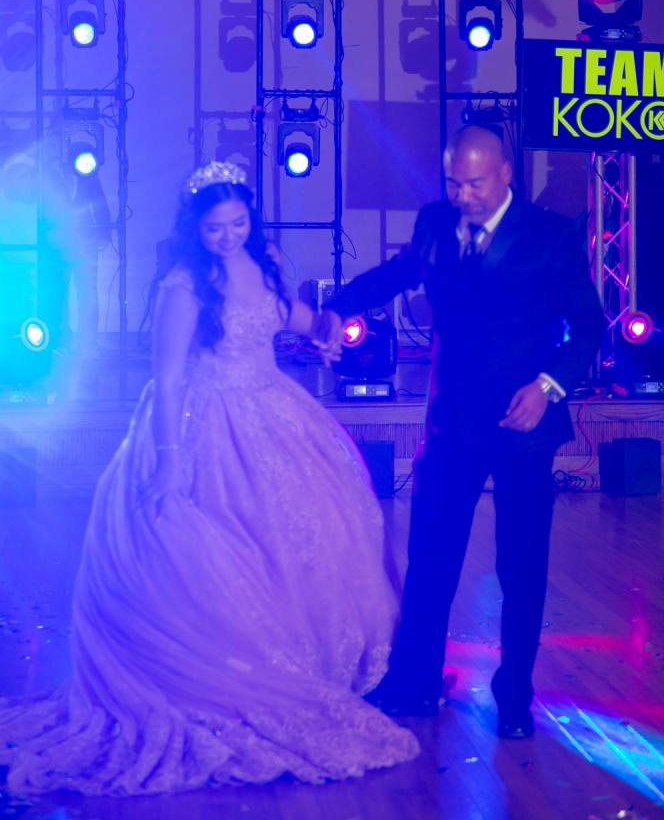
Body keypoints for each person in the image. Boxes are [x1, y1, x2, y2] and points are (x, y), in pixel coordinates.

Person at [0, 162, 418, 795]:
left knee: (304, 540)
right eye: (216, 227)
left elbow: (289, 317)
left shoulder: (266, 262)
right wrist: (171, 457)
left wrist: (324, 329)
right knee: (218, 558)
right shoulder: (184, 285)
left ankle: (304, 663)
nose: (228, 236)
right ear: (195, 227)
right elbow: (167, 379)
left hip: (273, 411)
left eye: (238, 224)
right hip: (204, 423)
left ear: (251, 219)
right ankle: (232, 673)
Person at [325, 125, 605, 739]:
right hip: (454, 421)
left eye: (475, 183)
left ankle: (514, 695)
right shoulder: (434, 223)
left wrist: (547, 387)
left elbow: (590, 327)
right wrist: (340, 306)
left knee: (521, 562)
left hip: (524, 423)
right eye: (454, 183)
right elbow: (396, 275)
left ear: (506, 172)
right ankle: (415, 682)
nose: (463, 196)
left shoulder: (551, 235)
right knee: (431, 552)